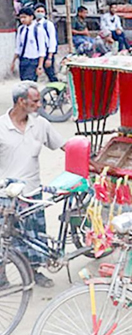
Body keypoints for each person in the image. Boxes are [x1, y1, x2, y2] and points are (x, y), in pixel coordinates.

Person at [0, 82, 66, 288]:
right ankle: (2, 276)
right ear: (22, 102)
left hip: (32, 192)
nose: (39, 105)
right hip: (6, 194)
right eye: (35, 101)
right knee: (5, 236)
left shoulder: (40, 125)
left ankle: (35, 272)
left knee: (34, 235)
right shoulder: (1, 127)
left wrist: (88, 159)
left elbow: (64, 146)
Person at [10, 8, 47, 82]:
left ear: (31, 17)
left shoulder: (38, 30)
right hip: (23, 60)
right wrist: (13, 62)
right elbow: (18, 47)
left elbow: (42, 50)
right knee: (23, 82)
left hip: (33, 61)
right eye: (21, 18)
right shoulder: (21, 29)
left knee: (30, 83)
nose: (22, 20)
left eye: (24, 17)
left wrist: (40, 65)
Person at [33, 4, 58, 82]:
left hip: (47, 52)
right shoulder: (32, 24)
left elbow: (52, 40)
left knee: (50, 73)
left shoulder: (48, 24)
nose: (40, 13)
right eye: (38, 11)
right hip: (35, 52)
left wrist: (50, 57)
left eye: (42, 11)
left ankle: (58, 90)